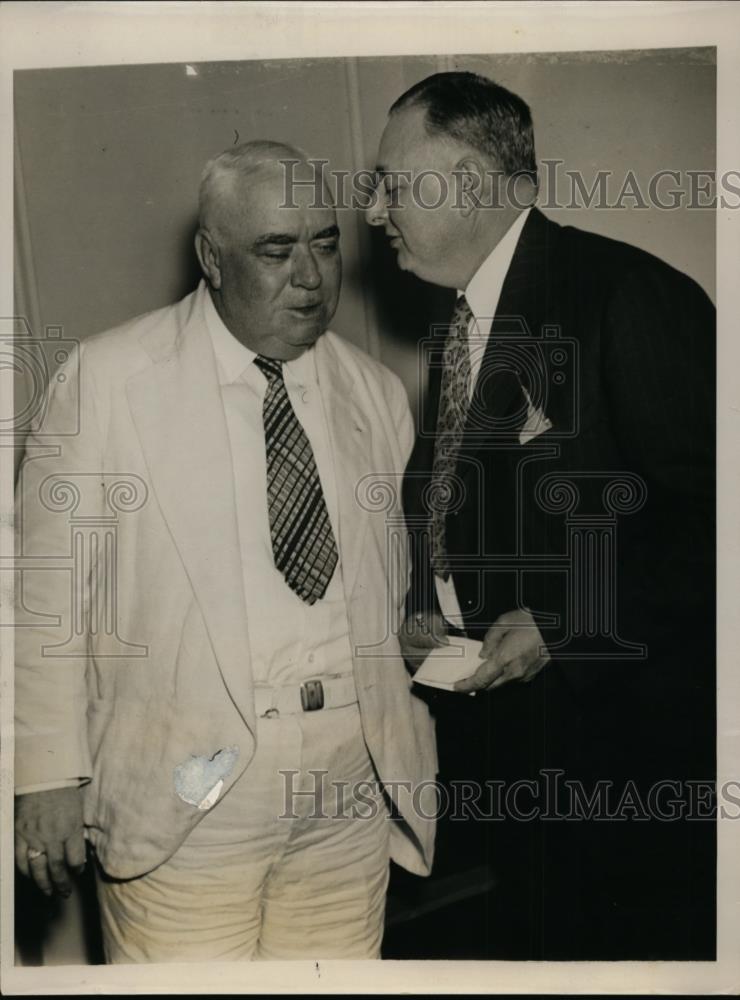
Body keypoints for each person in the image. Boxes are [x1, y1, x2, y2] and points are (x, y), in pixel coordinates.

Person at [14, 140, 437, 963]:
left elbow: (384, 586)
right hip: (190, 792)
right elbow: (42, 597)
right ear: (211, 257)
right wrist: (43, 774)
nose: (311, 276)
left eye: (324, 242)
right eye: (276, 250)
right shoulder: (107, 379)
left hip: (349, 784)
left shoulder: (374, 393)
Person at [366, 72, 715, 960]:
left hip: (624, 761)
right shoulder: (458, 325)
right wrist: (429, 598)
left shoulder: (628, 295)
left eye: (393, 183)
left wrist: (565, 621)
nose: (375, 212)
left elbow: (715, 520)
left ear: (474, 180)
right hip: (515, 743)